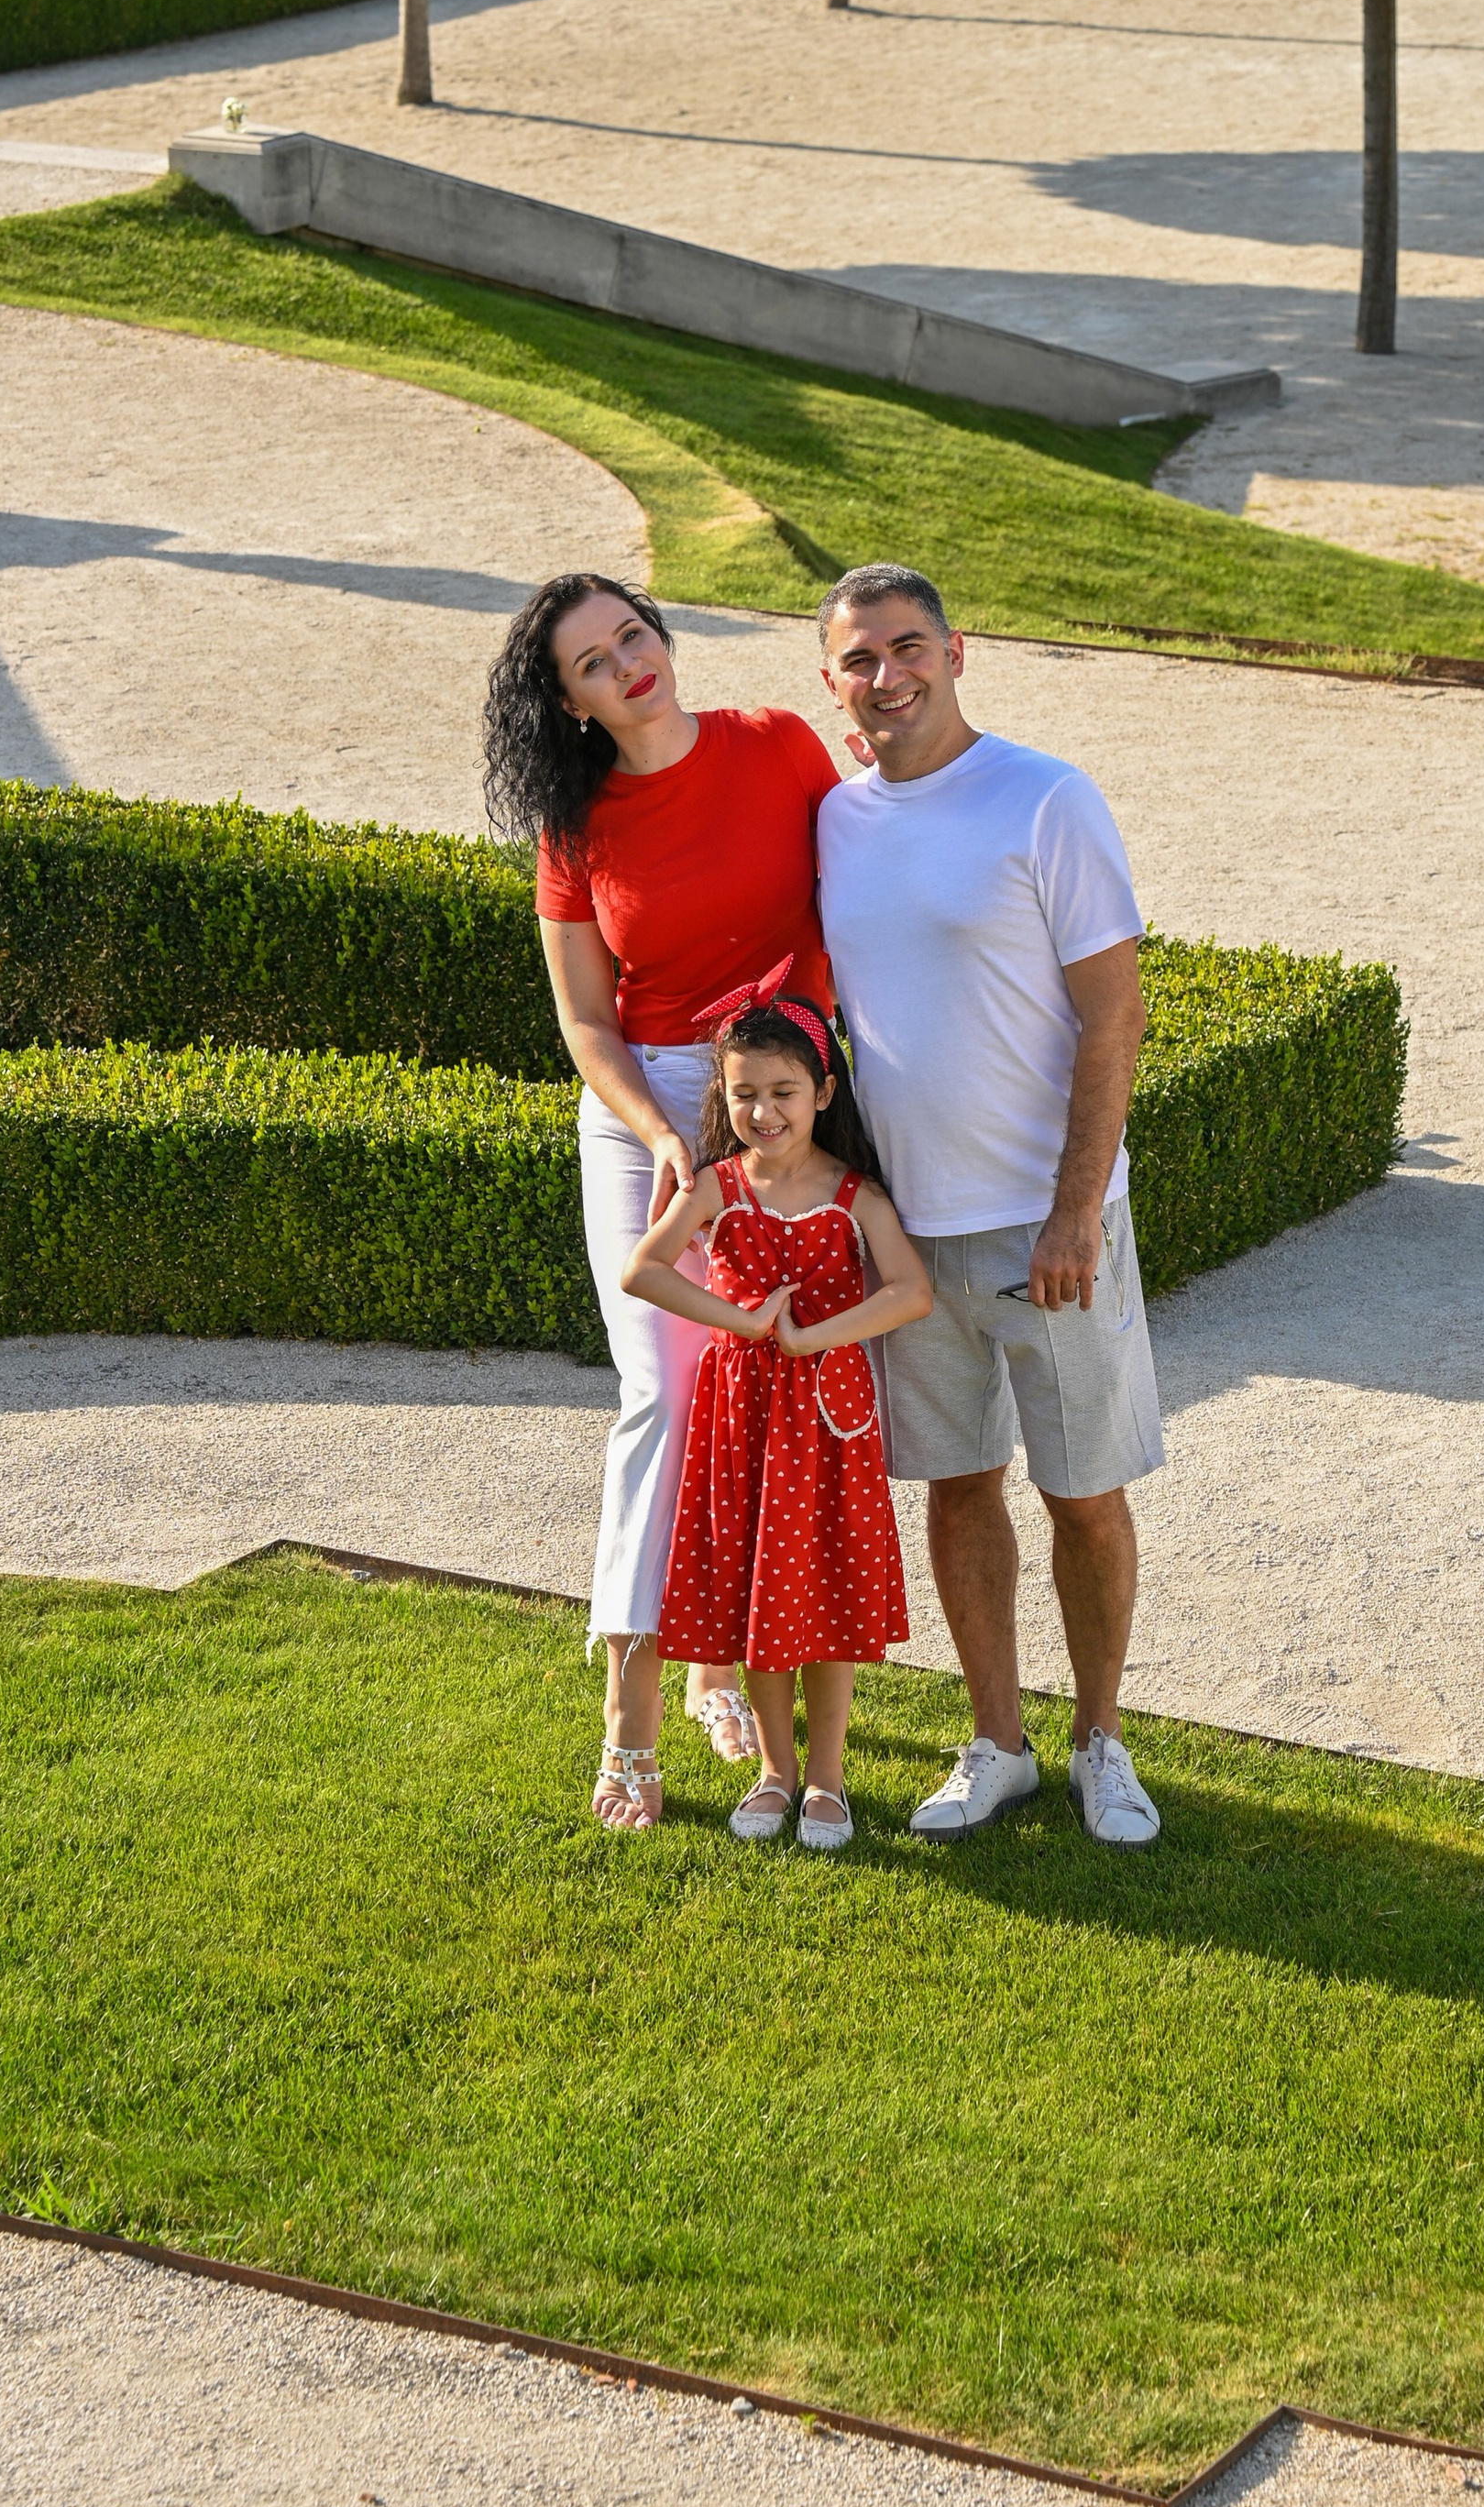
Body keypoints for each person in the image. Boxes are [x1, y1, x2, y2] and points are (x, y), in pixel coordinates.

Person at [814, 562, 1165, 1849]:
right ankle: (998, 1744)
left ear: (959, 652)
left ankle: (1103, 1742)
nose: (888, 676)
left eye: (909, 647)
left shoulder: (1045, 799)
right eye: (860, 659)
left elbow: (1112, 1013)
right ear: (832, 683)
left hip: (1044, 1224)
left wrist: (1078, 1211)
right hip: (909, 1233)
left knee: (1086, 1492)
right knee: (957, 1487)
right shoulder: (835, 821)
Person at [485, 571, 841, 1834]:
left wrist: (795, 1062)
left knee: (759, 1392)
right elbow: (585, 1019)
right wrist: (656, 1134)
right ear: (570, 702)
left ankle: (717, 1663)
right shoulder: (574, 828)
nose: (629, 664)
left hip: (782, 1095)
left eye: (633, 635)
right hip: (646, 1111)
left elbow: (851, 897)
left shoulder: (779, 748)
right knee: (664, 1394)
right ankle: (629, 1723)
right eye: (594, 662)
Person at [626, 971, 930, 1849]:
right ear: (723, 1093)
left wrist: (816, 1334)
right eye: (745, 1093)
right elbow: (642, 1268)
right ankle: (774, 1772)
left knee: (824, 1590)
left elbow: (912, 1292)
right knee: (758, 1594)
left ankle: (828, 1781)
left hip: (830, 1424)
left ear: (823, 1091)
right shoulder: (719, 1186)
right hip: (743, 1422)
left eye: (784, 1093)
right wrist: (746, 1323)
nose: (765, 1111)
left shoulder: (854, 1194)